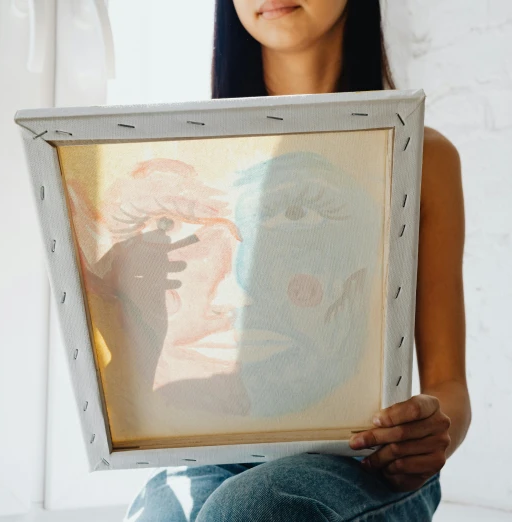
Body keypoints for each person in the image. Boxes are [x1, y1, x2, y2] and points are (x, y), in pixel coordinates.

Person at [126, 0, 468, 520]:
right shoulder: (190, 157)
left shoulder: (421, 155)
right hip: (219, 455)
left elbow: (450, 387)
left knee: (250, 509)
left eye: (295, 214)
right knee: (164, 508)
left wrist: (426, 426)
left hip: (364, 463)